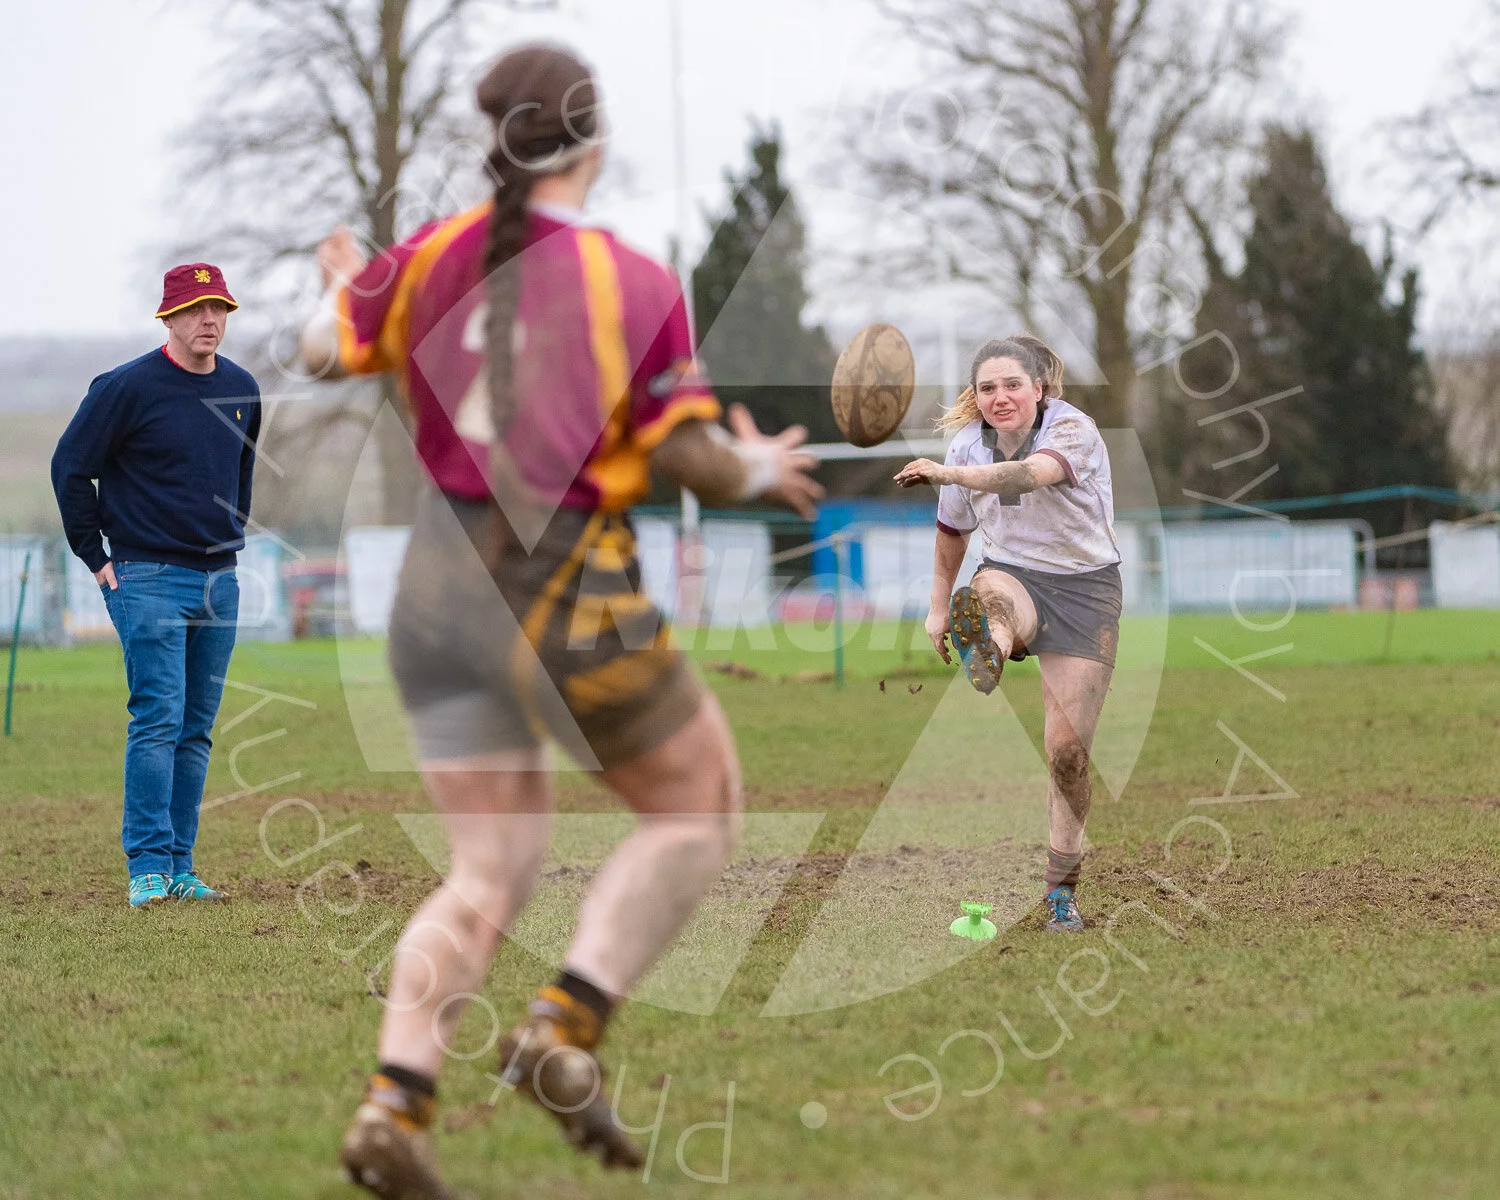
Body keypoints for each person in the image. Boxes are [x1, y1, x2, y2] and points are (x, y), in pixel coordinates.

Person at [298, 44, 822, 1199]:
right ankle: (563, 1028)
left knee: (488, 869)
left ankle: (397, 1098)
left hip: (434, 586)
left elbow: (319, 347)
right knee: (698, 807)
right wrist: (755, 466)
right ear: (596, 141)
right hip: (560, 578)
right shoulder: (630, 278)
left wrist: (343, 283)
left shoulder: (424, 257)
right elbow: (689, 454)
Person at [895, 336, 1120, 934]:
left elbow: (1025, 475)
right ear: (976, 396)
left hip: (1086, 589)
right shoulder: (967, 442)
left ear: (1039, 388)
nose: (1000, 397)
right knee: (992, 600)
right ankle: (987, 647)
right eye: (987, 388)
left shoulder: (1074, 430)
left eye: (1012, 385)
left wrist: (945, 471)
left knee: (1067, 753)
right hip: (1013, 574)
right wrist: (939, 609)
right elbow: (952, 532)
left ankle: (1061, 891)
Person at [51, 264, 259, 909]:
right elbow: (70, 467)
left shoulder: (243, 388)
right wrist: (95, 554)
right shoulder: (125, 388)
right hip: (146, 579)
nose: (209, 320)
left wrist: (230, 536)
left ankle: (179, 866)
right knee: (158, 719)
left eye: (218, 308)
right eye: (196, 309)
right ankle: (146, 866)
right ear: (168, 318)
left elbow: (241, 472)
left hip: (219, 581)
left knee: (196, 729)